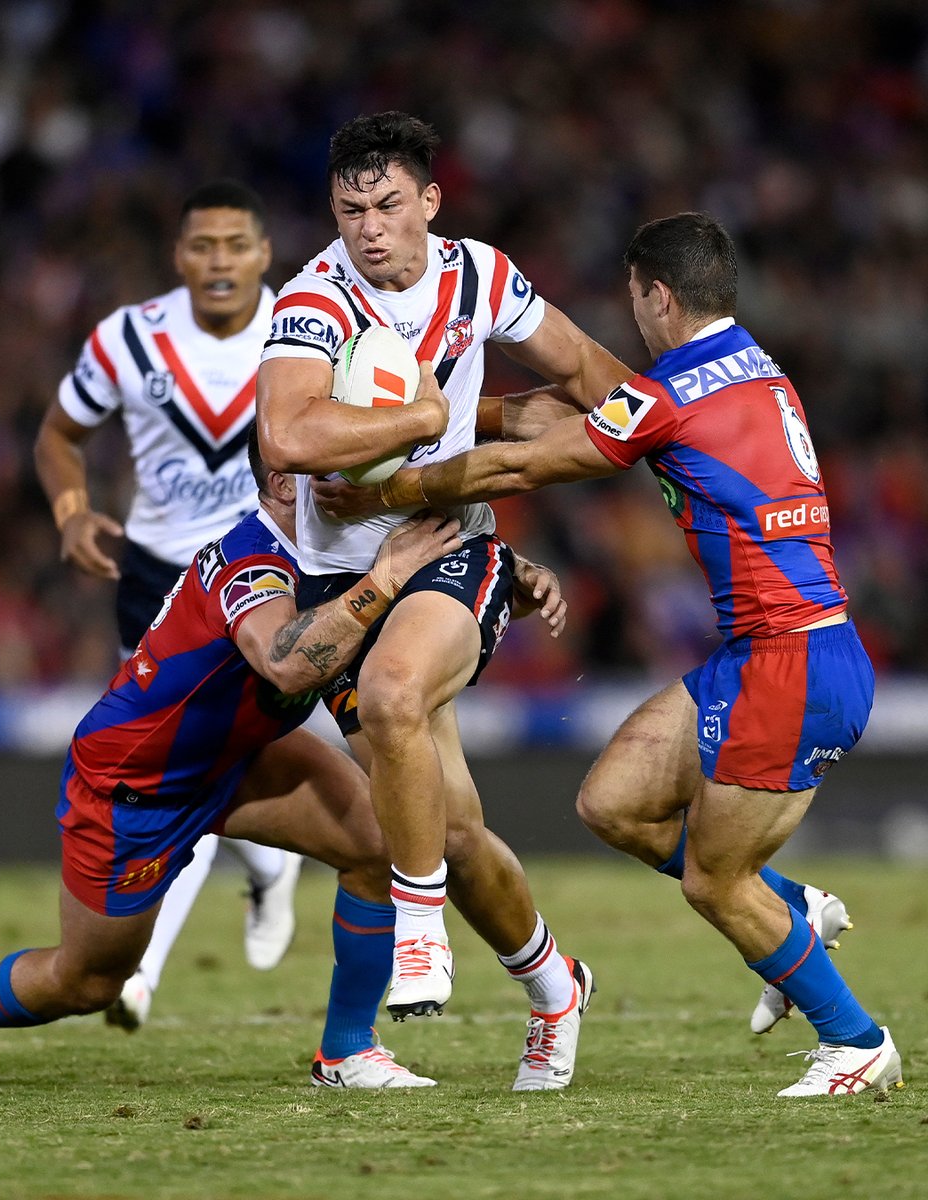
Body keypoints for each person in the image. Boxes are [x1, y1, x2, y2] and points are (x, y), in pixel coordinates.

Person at [320, 212, 904, 1099]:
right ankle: (793, 910)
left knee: (714, 881)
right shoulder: (754, 364)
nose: (632, 316)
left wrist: (391, 489)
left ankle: (855, 1040)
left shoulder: (673, 390)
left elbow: (526, 468)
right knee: (614, 803)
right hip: (765, 652)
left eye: (634, 298)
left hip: (793, 663)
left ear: (657, 295)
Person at [255, 111, 631, 1090]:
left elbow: (588, 372)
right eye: (349, 211)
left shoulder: (481, 277)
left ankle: (419, 932)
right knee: (451, 828)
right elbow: (287, 437)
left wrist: (689, 434)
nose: (369, 228)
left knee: (390, 702)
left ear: (430, 200)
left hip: (448, 547)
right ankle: (557, 986)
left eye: (387, 205)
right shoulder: (312, 300)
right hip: (339, 578)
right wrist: (416, 414)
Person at [0, 426, 464, 1090]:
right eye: (349, 467)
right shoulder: (253, 559)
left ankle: (346, 1051)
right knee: (86, 982)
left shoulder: (335, 548)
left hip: (240, 756)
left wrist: (519, 579)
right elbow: (287, 664)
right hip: (137, 784)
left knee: (378, 844)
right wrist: (384, 579)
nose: (371, 481)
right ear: (289, 484)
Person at [33, 180, 304, 1029]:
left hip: (274, 568)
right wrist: (72, 511)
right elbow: (58, 436)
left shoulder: (305, 331)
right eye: (201, 245)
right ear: (178, 255)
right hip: (160, 577)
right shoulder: (127, 339)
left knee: (221, 757)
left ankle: (156, 955)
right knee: (170, 765)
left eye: (235, 245)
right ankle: (220, 907)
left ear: (265, 254)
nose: (218, 261)